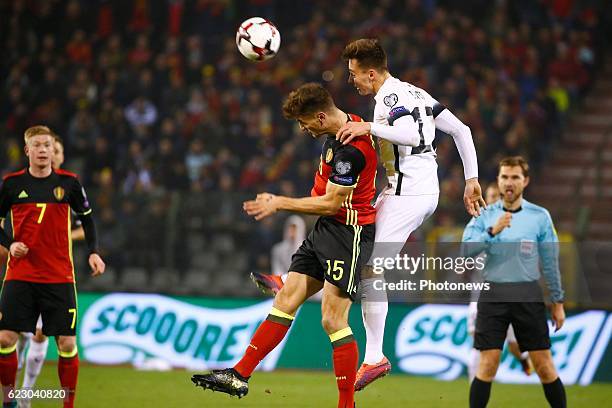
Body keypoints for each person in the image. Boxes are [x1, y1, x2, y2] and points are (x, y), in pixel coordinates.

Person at [191, 83, 378, 408]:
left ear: (321, 116)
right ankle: (240, 374)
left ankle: (346, 405)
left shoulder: (353, 148)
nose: (303, 129)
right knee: (286, 298)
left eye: (305, 122)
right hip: (325, 230)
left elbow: (332, 203)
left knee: (332, 319)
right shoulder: (339, 132)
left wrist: (279, 203)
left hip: (348, 234)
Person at [333, 38, 485, 390]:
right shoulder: (415, 92)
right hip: (411, 190)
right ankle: (300, 276)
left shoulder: (390, 98)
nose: (351, 80)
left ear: (372, 74)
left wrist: (369, 127)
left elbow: (411, 134)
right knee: (356, 236)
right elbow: (462, 130)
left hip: (410, 192)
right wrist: (471, 179)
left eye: (354, 73)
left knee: (372, 268)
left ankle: (374, 357)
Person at [0, 126, 105, 408]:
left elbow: (88, 219)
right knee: (5, 338)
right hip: (20, 274)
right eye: (38, 145)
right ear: (28, 151)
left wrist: (93, 252)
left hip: (58, 276)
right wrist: (10, 244)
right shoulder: (11, 184)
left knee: (67, 345)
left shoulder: (70, 183)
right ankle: (10, 399)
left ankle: (66, 405)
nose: (44, 150)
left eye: (48, 145)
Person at [463, 156, 566, 408]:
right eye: (504, 177)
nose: (509, 182)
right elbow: (465, 251)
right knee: (487, 365)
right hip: (492, 293)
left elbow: (550, 262)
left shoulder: (539, 216)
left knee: (544, 365)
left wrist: (557, 300)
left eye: (515, 177)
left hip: (527, 294)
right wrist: (491, 232)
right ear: (498, 181)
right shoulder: (484, 215)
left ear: (525, 181)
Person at [13, 135, 86, 406]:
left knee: (40, 332)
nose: (51, 153)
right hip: (23, 267)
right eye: (46, 148)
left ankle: (25, 393)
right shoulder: (27, 186)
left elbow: (83, 225)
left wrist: (64, 234)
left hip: (56, 271)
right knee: (20, 331)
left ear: (61, 156)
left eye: (55, 149)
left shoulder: (67, 188)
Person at [466, 183, 532, 382]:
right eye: (491, 195)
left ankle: (524, 358)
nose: (493, 199)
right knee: (479, 343)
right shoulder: (477, 222)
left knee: (513, 344)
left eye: (497, 196)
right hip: (481, 295)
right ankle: (475, 392)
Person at [250, 215, 306, 296]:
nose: (292, 231)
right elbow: (277, 270)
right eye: (290, 228)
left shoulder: (308, 249)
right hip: (283, 287)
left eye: (294, 228)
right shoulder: (278, 249)